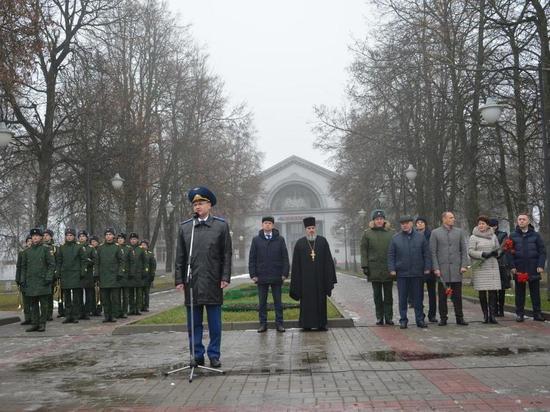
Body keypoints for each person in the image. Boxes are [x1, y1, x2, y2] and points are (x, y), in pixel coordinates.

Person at [175, 186, 232, 368]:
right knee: (194, 323)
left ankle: (214, 354)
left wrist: (225, 277)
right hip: (192, 283)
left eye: (201, 203)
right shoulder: (186, 228)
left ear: (209, 205)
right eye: (195, 204)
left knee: (215, 324)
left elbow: (226, 255)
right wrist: (179, 279)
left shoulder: (220, 226)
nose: (197, 207)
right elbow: (180, 257)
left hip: (213, 281)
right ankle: (196, 354)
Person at [290, 216, 337, 331]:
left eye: (313, 228)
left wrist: (329, 278)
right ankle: (306, 325)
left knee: (321, 302)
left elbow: (328, 261)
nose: (311, 230)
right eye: (309, 228)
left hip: (320, 280)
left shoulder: (322, 241)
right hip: (306, 282)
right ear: (305, 230)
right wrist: (297, 282)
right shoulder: (300, 244)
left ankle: (322, 324)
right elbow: (296, 265)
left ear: (315, 228)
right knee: (307, 303)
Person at [388, 216, 431, 329]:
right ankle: (403, 320)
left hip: (417, 273)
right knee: (402, 298)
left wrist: (427, 267)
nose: (404, 225)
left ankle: (420, 319)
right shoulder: (395, 238)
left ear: (411, 224)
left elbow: (426, 254)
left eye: (407, 223)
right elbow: (391, 255)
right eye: (402, 223)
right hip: (402, 273)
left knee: (418, 298)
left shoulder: (420, 237)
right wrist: (392, 269)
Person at [248, 216, 290, 333]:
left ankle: (279, 324)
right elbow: (252, 258)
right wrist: (253, 274)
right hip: (261, 276)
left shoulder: (280, 239)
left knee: (278, 302)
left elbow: (285, 257)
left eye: (270, 223)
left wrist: (284, 273)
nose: (267, 225)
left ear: (273, 225)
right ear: (262, 225)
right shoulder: (256, 240)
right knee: (262, 302)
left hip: (277, 275)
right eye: (265, 223)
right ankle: (263, 324)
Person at [430, 211, 469, 326]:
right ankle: (443, 318)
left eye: (453, 217)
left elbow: (463, 250)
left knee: (457, 296)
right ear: (444, 219)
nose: (453, 219)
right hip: (442, 270)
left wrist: (463, 265)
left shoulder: (459, 232)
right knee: (442, 297)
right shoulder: (435, 233)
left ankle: (459, 318)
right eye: (451, 217)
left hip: (457, 270)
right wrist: (436, 268)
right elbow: (433, 253)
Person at [506, 213, 546, 322]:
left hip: (534, 268)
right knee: (519, 293)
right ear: (517, 221)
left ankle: (537, 314)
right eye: (519, 219)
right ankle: (520, 314)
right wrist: (512, 266)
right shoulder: (512, 235)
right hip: (519, 269)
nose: (521, 221)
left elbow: (542, 252)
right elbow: (508, 252)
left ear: (528, 221)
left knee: (535, 293)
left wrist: (540, 265)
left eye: (524, 219)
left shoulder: (536, 235)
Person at [360, 209, 394, 326]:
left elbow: (395, 250)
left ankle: (389, 317)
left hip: (388, 268)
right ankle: (379, 316)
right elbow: (364, 250)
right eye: (377, 219)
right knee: (377, 295)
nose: (379, 221)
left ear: (384, 220)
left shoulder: (391, 233)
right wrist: (365, 265)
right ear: (373, 221)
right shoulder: (367, 233)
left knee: (389, 295)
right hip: (374, 268)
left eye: (381, 219)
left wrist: (395, 266)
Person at [20, 228, 55, 332]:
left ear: (41, 237)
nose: (35, 238)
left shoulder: (46, 249)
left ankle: (42, 324)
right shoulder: (27, 251)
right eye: (33, 236)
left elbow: (51, 265)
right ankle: (35, 323)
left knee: (43, 304)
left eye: (37, 236)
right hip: (31, 282)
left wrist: (48, 277)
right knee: (33, 304)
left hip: (43, 281)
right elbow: (23, 267)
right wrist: (23, 279)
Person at [468, 216, 502, 324]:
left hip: (492, 266)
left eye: (483, 223)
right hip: (481, 267)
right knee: (482, 292)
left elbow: (498, 248)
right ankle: (485, 315)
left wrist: (497, 253)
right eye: (479, 224)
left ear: (488, 225)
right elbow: (470, 251)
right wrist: (482, 254)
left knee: (492, 291)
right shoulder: (473, 237)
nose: (481, 225)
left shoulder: (493, 236)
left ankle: (492, 315)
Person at [56, 228, 87, 324]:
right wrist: (58, 272)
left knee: (76, 297)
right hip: (65, 274)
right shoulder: (61, 248)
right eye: (67, 235)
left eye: (71, 235)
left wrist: (82, 272)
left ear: (74, 237)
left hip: (76, 274)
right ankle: (68, 315)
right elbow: (59, 261)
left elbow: (83, 260)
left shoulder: (79, 247)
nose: (69, 237)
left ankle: (75, 315)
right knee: (67, 297)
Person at [96, 228, 126, 322]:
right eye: (107, 234)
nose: (108, 236)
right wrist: (96, 274)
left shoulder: (117, 247)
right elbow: (97, 262)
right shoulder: (100, 248)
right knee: (105, 298)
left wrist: (120, 272)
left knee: (114, 298)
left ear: (113, 236)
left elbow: (122, 262)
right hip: (103, 276)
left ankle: (113, 315)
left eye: (110, 234)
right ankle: (106, 315)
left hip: (114, 276)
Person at [415, 217, 437, 323]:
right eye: (418, 223)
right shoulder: (414, 235)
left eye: (421, 222)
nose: (419, 224)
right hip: (418, 268)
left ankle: (432, 315)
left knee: (432, 293)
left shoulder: (432, 234)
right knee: (419, 293)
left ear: (425, 224)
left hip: (431, 267)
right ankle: (421, 315)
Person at [489, 219, 510, 317]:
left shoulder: (503, 235)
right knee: (492, 288)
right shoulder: (486, 236)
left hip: (501, 264)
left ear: (495, 226)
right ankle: (494, 310)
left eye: (491, 226)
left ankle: (501, 310)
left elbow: (502, 247)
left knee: (501, 288)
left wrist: (494, 254)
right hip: (490, 264)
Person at [15, 235, 33, 325]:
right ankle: (27, 318)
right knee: (26, 301)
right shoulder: (22, 253)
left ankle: (34, 318)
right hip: (23, 279)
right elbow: (19, 267)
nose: (30, 242)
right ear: (26, 243)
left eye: (31, 240)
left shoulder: (35, 253)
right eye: (28, 241)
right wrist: (17, 278)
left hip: (33, 279)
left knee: (33, 300)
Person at [78, 230, 96, 319]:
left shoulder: (90, 248)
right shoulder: (76, 247)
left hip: (88, 274)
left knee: (89, 294)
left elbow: (95, 260)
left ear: (86, 238)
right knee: (79, 294)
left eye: (83, 236)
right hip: (78, 274)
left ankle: (87, 311)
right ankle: (80, 311)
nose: (81, 238)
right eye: (80, 236)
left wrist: (88, 261)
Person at [127, 232, 146, 316]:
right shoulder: (128, 249)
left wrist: (144, 272)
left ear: (137, 240)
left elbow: (145, 262)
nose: (133, 241)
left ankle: (138, 308)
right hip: (130, 274)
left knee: (138, 293)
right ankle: (131, 308)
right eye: (131, 239)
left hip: (138, 274)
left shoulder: (141, 249)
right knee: (131, 293)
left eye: (134, 239)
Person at [42, 228, 59, 320]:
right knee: (42, 296)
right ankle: (43, 313)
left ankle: (49, 313)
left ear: (51, 237)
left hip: (51, 275)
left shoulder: (54, 248)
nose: (45, 237)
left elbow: (57, 261)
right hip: (41, 275)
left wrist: (55, 273)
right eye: (44, 235)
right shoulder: (41, 247)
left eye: (47, 235)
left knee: (49, 295)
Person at [117, 233, 131, 319]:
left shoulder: (128, 249)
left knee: (125, 295)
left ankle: (125, 311)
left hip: (125, 274)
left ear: (124, 240)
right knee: (116, 295)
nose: (120, 240)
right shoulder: (115, 248)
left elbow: (131, 262)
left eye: (121, 238)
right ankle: (118, 311)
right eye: (118, 238)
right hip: (117, 274)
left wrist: (130, 272)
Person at [140, 239, 156, 312]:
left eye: (144, 245)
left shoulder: (150, 254)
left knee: (146, 292)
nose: (143, 246)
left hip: (147, 276)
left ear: (147, 246)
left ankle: (146, 306)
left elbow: (153, 265)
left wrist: (152, 274)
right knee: (139, 292)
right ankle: (140, 305)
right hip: (139, 276)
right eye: (142, 245)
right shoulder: (138, 254)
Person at [89, 235, 102, 316]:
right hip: (91, 274)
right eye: (92, 242)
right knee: (91, 293)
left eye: (95, 241)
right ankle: (92, 308)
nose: (93, 243)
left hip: (99, 273)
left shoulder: (100, 250)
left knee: (99, 292)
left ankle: (99, 309)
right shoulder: (90, 250)